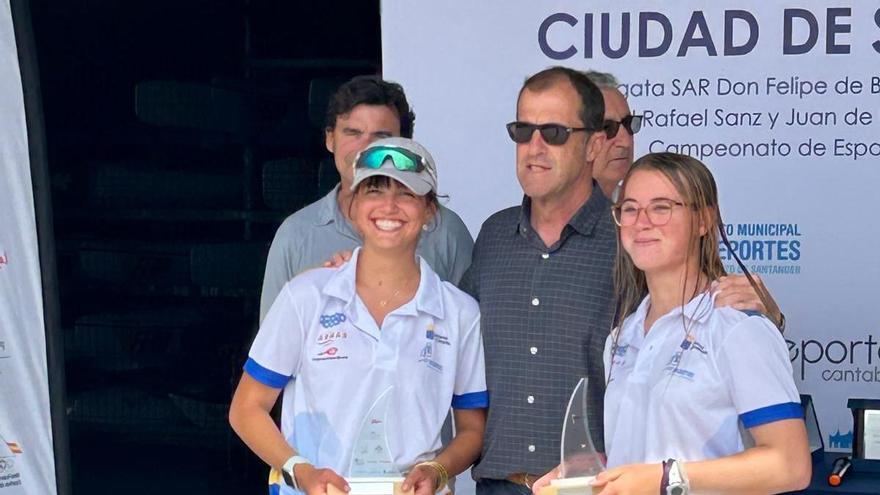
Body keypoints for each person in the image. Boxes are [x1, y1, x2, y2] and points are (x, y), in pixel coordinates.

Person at [460, 67, 785, 495]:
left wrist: (768, 315)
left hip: (598, 487)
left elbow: (713, 322)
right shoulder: (494, 236)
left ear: (593, 145)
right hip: (500, 484)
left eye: (554, 132)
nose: (534, 147)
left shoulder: (637, 243)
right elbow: (449, 336)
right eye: (523, 130)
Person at [532, 152, 810, 494]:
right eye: (630, 208)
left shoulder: (737, 328)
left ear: (704, 220)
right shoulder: (623, 335)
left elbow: (790, 465)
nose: (642, 221)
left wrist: (667, 478)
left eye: (662, 207)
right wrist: (590, 472)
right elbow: (647, 453)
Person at [231, 137, 488, 495]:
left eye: (407, 194)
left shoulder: (459, 313)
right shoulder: (306, 296)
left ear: (431, 212)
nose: (389, 206)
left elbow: (473, 429)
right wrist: (300, 471)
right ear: (352, 206)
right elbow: (247, 408)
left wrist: (436, 470)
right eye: (374, 191)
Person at [259, 75, 474, 322]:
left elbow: (469, 329)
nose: (365, 148)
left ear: (404, 144)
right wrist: (310, 287)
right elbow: (274, 343)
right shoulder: (295, 234)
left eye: (381, 136)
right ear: (330, 139)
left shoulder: (446, 230)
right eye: (353, 133)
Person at [585, 70, 784, 323]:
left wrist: (768, 317)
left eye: (629, 124)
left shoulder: (660, 226)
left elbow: (719, 303)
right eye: (607, 127)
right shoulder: (528, 235)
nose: (624, 140)